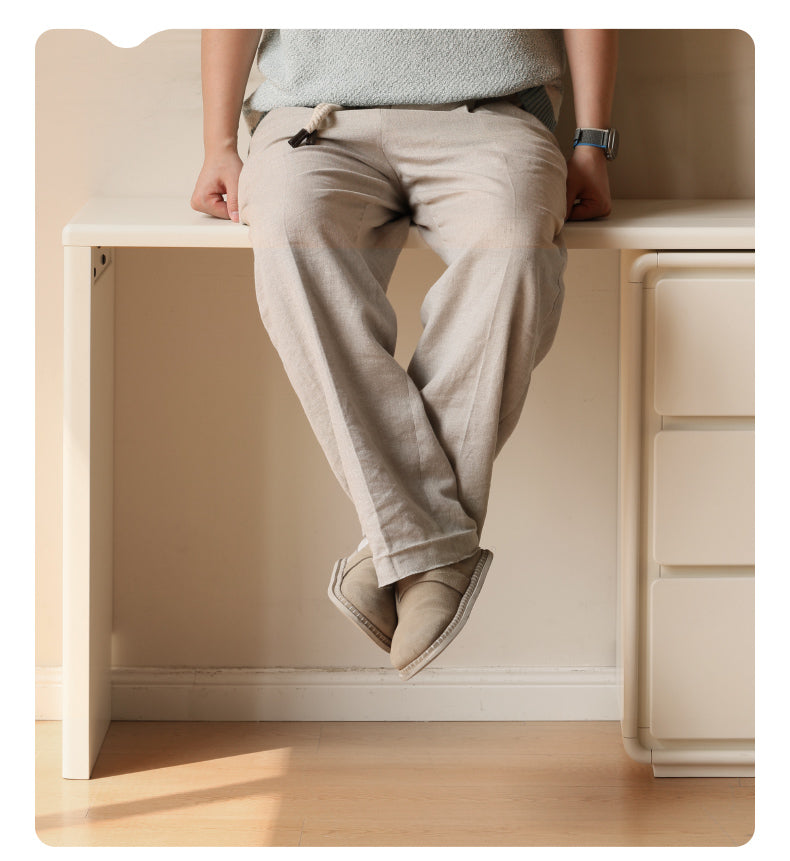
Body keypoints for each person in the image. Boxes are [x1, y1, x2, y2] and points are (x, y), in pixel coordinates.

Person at [191, 29, 618, 680]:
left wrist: (593, 140)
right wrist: (218, 143)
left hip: (494, 114)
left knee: (517, 249)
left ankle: (395, 547)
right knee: (287, 234)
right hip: (313, 120)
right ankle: (430, 551)